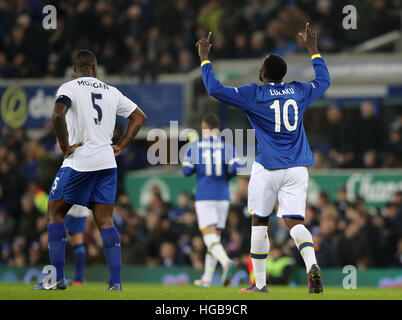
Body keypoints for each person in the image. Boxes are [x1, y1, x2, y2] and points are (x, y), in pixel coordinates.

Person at [196, 22, 330, 293]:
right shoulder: (299, 91)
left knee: (259, 221)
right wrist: (314, 51)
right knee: (295, 222)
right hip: (298, 168)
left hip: (268, 167)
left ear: (262, 73)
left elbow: (215, 90)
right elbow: (324, 81)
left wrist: (205, 59)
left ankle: (260, 284)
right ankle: (312, 265)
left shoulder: (254, 94)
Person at [32, 49, 147, 291]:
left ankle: (57, 279)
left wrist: (64, 147)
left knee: (55, 214)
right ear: (95, 69)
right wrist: (121, 145)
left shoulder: (69, 88)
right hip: (107, 162)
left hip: (79, 161)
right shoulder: (111, 91)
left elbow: (57, 114)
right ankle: (115, 283)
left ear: (76, 70)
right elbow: (139, 117)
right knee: (105, 221)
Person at [182, 114, 244, 287]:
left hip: (205, 195)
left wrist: (197, 169)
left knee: (208, 236)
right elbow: (237, 167)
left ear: (203, 127)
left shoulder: (194, 147)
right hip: (223, 196)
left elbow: (186, 172)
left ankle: (225, 262)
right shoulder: (227, 146)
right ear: (218, 128)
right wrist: (226, 175)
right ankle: (207, 278)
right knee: (214, 237)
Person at [65, 205, 90, 286]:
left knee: (58, 238)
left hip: (72, 207)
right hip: (80, 208)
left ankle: (57, 278)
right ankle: (78, 279)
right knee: (77, 243)